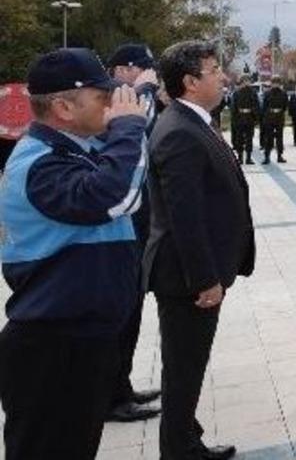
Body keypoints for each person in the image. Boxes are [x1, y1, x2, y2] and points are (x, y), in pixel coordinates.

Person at [0, 49, 147, 459]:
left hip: (78, 338)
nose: (112, 105)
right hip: (53, 345)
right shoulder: (42, 164)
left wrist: (135, 116)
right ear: (63, 107)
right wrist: (130, 128)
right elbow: (117, 196)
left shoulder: (73, 151)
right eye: (102, 97)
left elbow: (130, 174)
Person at [144, 40, 254, 460]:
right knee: (184, 369)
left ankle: (185, 438)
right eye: (213, 70)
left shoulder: (192, 121)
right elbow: (182, 218)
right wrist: (205, 279)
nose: (223, 76)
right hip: (187, 277)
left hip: (192, 271)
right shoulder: (179, 132)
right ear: (190, 82)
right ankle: (179, 452)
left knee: (185, 365)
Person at [105, 43, 165, 424]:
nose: (151, 77)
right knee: (120, 316)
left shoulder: (138, 98)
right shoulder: (119, 103)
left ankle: (121, 386)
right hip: (120, 228)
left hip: (137, 225)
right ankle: (110, 395)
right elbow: (134, 130)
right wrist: (142, 91)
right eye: (142, 71)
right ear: (123, 71)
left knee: (131, 313)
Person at [229, 75, 259, 165]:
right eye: (245, 81)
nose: (247, 83)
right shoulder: (237, 93)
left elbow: (256, 105)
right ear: (242, 82)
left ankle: (248, 158)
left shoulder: (253, 93)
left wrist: (256, 117)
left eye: (248, 81)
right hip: (240, 118)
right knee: (239, 139)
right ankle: (240, 157)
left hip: (249, 118)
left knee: (249, 138)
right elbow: (233, 107)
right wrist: (234, 119)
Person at [260, 77, 289, 164]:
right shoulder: (267, 93)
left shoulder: (283, 94)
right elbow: (264, 106)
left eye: (277, 83)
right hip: (269, 118)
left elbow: (285, 106)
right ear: (272, 84)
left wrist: (279, 112)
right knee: (268, 138)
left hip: (279, 117)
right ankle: (267, 156)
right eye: (274, 83)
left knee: (279, 138)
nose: (276, 84)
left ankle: (280, 155)